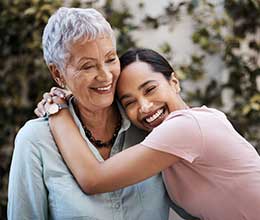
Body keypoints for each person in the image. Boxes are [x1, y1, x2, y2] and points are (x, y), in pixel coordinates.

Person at [7, 7, 193, 220]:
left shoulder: (147, 122)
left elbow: (201, 202)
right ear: (58, 74)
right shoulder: (35, 141)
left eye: (111, 59)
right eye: (88, 67)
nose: (105, 76)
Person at [39, 48, 260, 220]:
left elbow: (93, 179)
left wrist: (57, 109)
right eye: (130, 102)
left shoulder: (188, 127)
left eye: (150, 89)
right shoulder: (163, 146)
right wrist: (78, 96)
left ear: (174, 82)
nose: (144, 107)